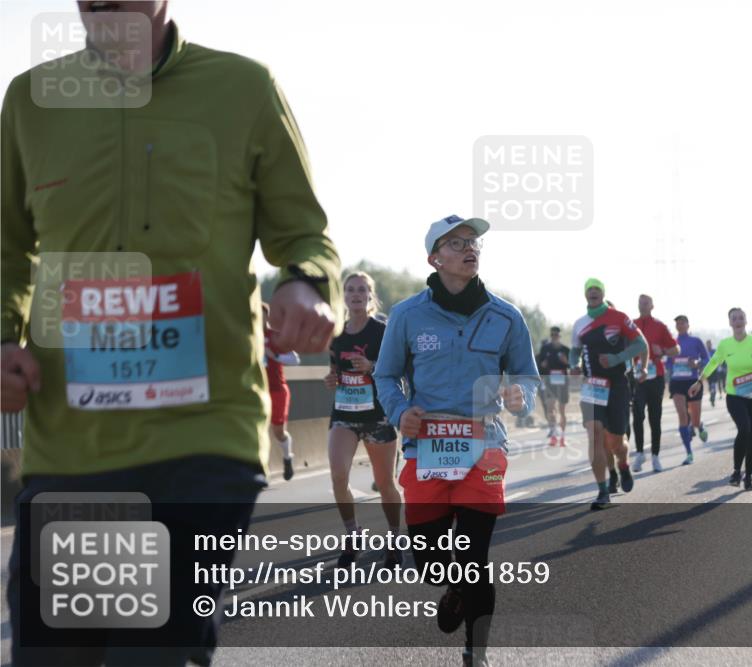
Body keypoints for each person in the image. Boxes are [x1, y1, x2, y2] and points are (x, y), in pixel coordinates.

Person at [1, 3, 341, 664]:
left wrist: (304, 283)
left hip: (201, 436)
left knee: (152, 651)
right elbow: (7, 250)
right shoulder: (30, 101)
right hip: (69, 444)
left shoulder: (244, 88)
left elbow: (305, 234)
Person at [373, 215, 539, 667]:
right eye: (456, 243)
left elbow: (527, 376)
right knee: (429, 562)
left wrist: (521, 396)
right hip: (426, 448)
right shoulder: (407, 315)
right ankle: (457, 587)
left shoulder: (506, 316)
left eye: (473, 242)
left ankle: (475, 653)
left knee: (473, 556)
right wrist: (399, 412)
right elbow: (385, 376)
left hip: (485, 446)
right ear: (435, 258)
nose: (470, 248)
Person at [325, 272, 402, 569]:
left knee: (385, 484)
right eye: (350, 290)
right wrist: (332, 379)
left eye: (361, 290)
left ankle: (394, 540)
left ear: (370, 295)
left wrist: (371, 365)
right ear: (343, 296)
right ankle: (353, 534)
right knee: (338, 476)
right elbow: (335, 368)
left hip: (377, 416)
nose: (355, 294)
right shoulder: (336, 333)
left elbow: (397, 369)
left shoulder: (382, 331)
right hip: (344, 414)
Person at [571, 280, 648, 509]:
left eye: (597, 289)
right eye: (589, 289)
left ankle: (622, 465)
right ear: (585, 295)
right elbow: (575, 350)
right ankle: (602, 491)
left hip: (617, 385)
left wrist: (616, 359)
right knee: (595, 434)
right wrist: (574, 364)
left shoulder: (619, 317)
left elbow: (641, 344)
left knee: (616, 442)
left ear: (603, 294)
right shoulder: (579, 324)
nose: (593, 292)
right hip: (592, 385)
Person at [691, 308, 752, 491]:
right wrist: (699, 382)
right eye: (734, 318)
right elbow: (713, 363)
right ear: (730, 323)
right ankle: (736, 471)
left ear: (746, 321)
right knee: (744, 428)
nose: (738, 321)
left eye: (741, 318)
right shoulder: (725, 344)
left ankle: (748, 476)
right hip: (735, 396)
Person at [630, 295, 679, 472]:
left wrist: (663, 351)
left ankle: (655, 456)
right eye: (640, 303)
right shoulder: (631, 325)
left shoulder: (660, 326)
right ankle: (639, 453)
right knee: (637, 416)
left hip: (656, 377)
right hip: (637, 377)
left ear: (652, 306)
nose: (642, 306)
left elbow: (676, 349)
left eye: (646, 303)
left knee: (654, 417)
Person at [262, 302, 301, 481]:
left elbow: (295, 359)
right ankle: (262, 470)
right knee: (259, 431)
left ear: (267, 317)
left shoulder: (276, 336)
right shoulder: (249, 336)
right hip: (258, 391)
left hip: (277, 389)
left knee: (278, 431)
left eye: (262, 315)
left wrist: (275, 356)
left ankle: (287, 458)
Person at [667, 315, 710, 465]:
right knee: (682, 415)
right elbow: (668, 363)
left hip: (693, 382)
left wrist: (697, 364)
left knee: (695, 421)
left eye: (682, 323)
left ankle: (699, 425)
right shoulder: (672, 342)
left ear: (688, 325)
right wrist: (672, 365)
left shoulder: (696, 341)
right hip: (677, 382)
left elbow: (707, 359)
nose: (680, 325)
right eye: (677, 323)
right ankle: (689, 452)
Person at [537, 326, 570, 447]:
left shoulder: (566, 349)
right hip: (549, 381)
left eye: (556, 335)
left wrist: (566, 362)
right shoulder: (545, 349)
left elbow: (572, 365)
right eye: (552, 335)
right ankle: (554, 435)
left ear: (559, 336)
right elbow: (540, 365)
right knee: (550, 408)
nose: (554, 337)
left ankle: (563, 437)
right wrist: (543, 364)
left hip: (562, 381)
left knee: (562, 410)